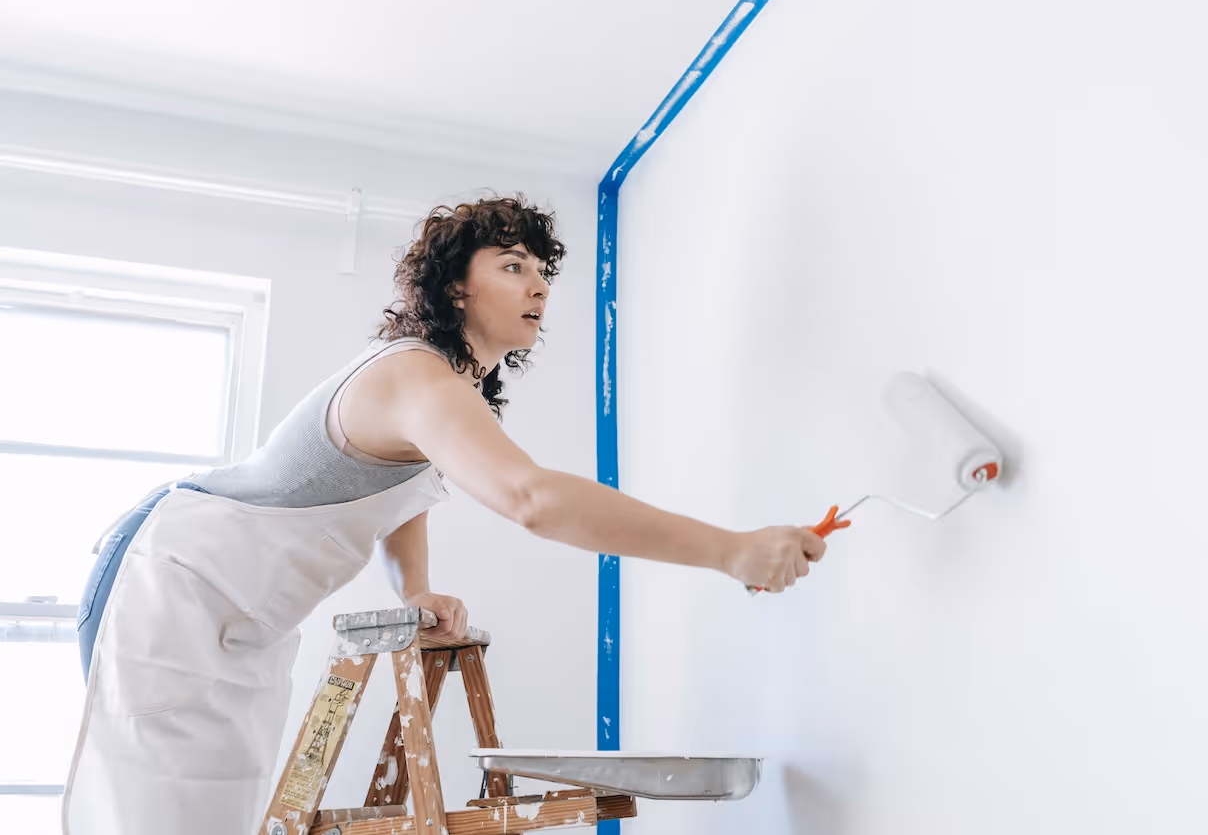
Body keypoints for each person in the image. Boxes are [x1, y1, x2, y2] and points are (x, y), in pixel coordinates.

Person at [63, 195, 826, 835]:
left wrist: (414, 588)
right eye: (513, 265)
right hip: (175, 582)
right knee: (152, 813)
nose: (540, 286)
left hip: (243, 617)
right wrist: (732, 549)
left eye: (542, 271)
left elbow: (398, 495)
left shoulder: (442, 395)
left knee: (218, 809)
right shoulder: (414, 375)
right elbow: (532, 499)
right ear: (456, 287)